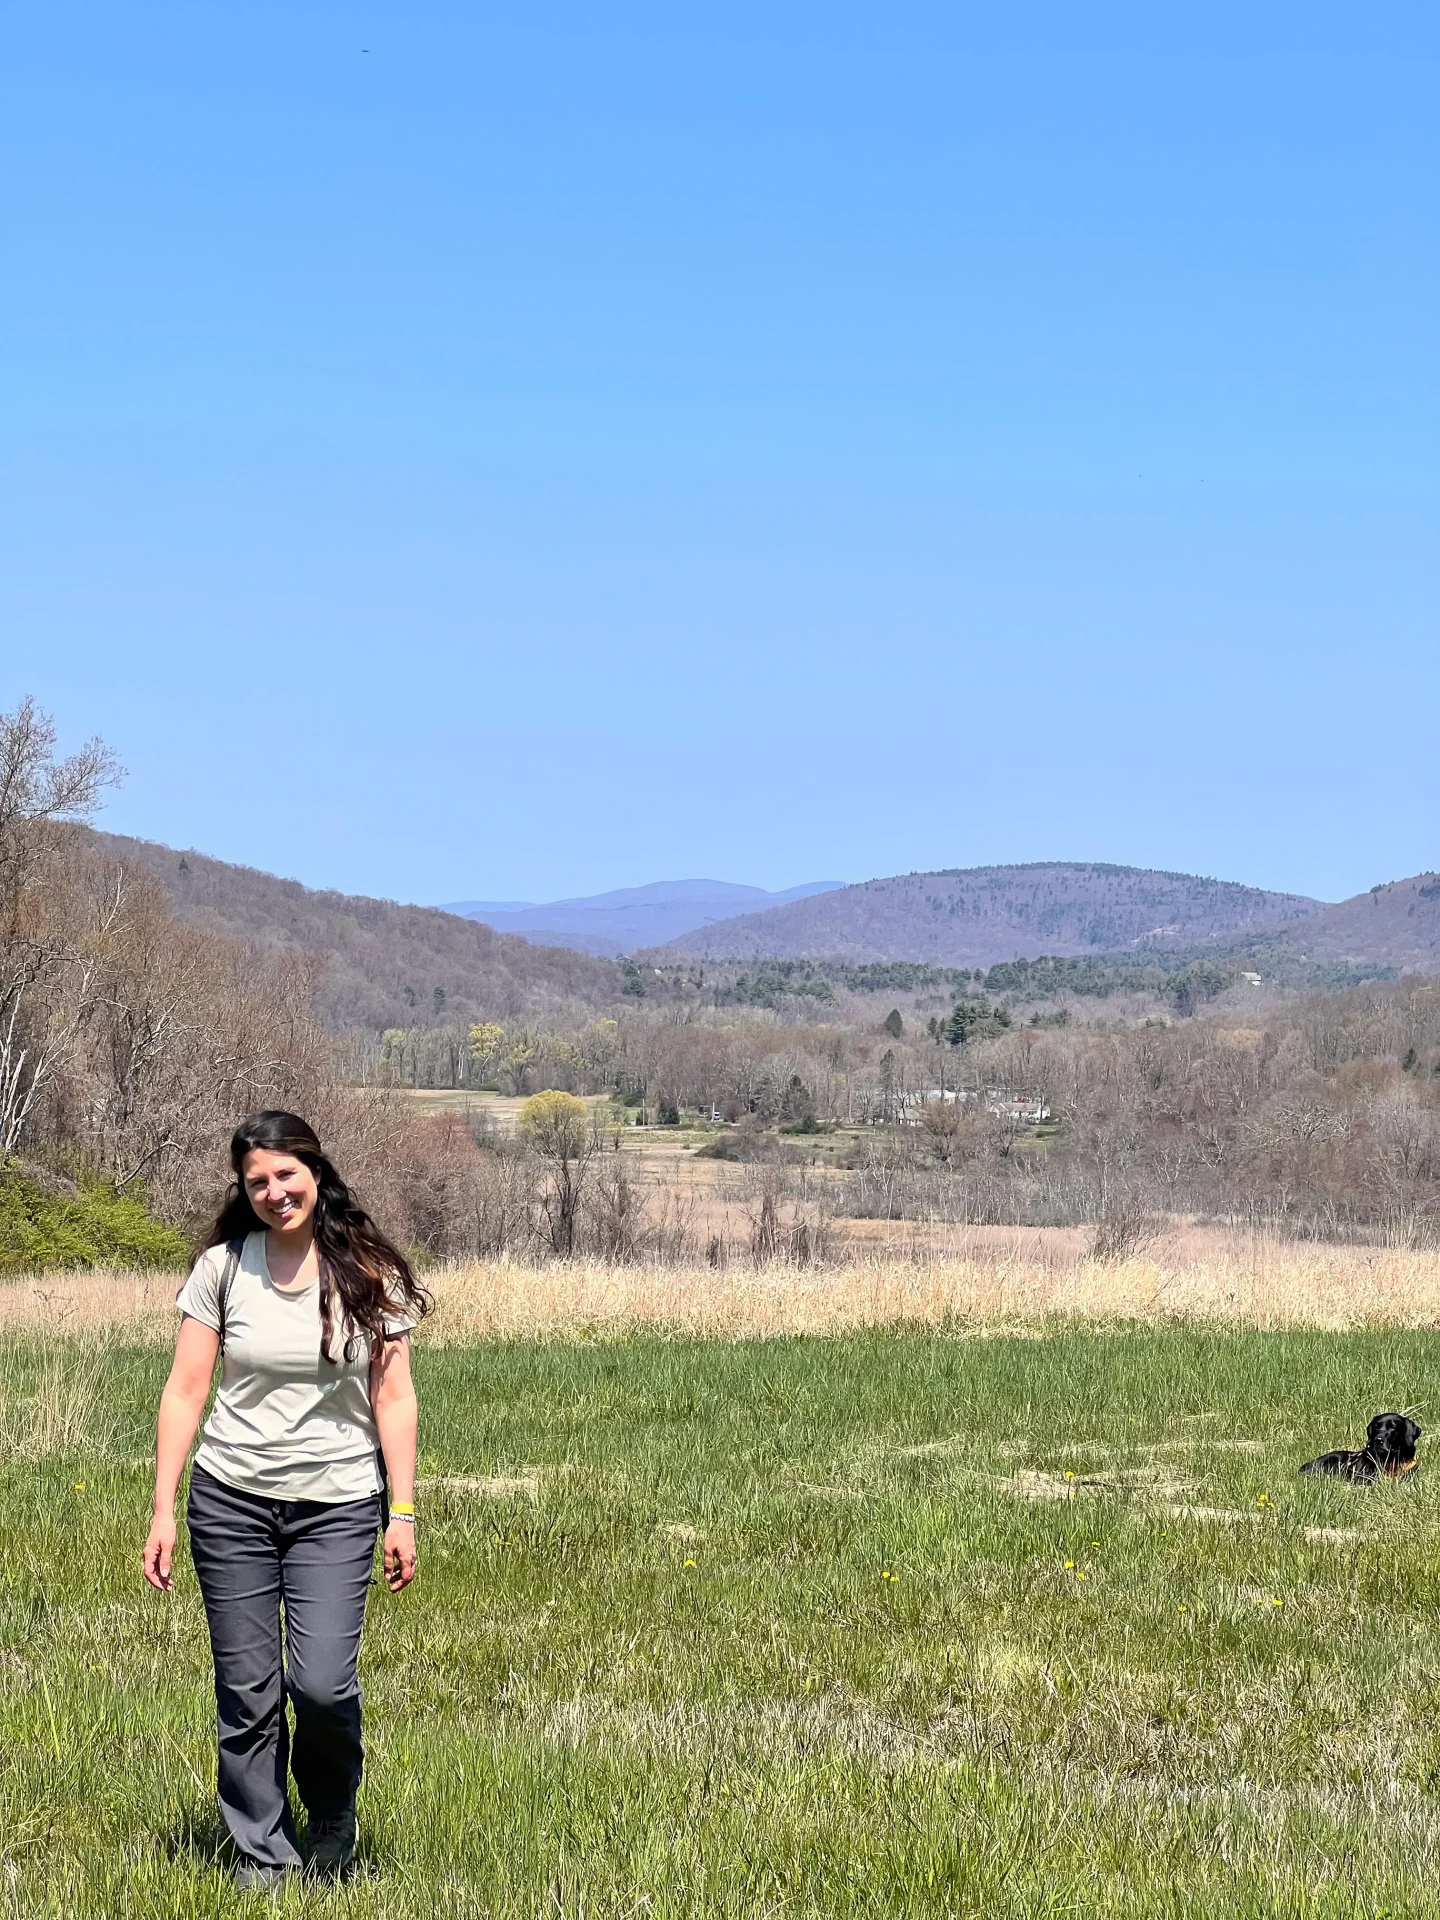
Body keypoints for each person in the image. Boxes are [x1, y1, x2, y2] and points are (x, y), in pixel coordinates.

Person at [143, 1110, 431, 1888]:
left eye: (285, 1174)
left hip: (336, 1505)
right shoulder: (222, 1269)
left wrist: (401, 1512)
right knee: (247, 1689)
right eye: (256, 1181)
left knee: (322, 1682)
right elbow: (185, 1390)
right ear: (244, 1190)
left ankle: (332, 1813)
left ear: (316, 1170)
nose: (274, 1192)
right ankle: (261, 1850)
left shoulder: (368, 1270)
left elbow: (394, 1397)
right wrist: (164, 1506)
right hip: (230, 1501)